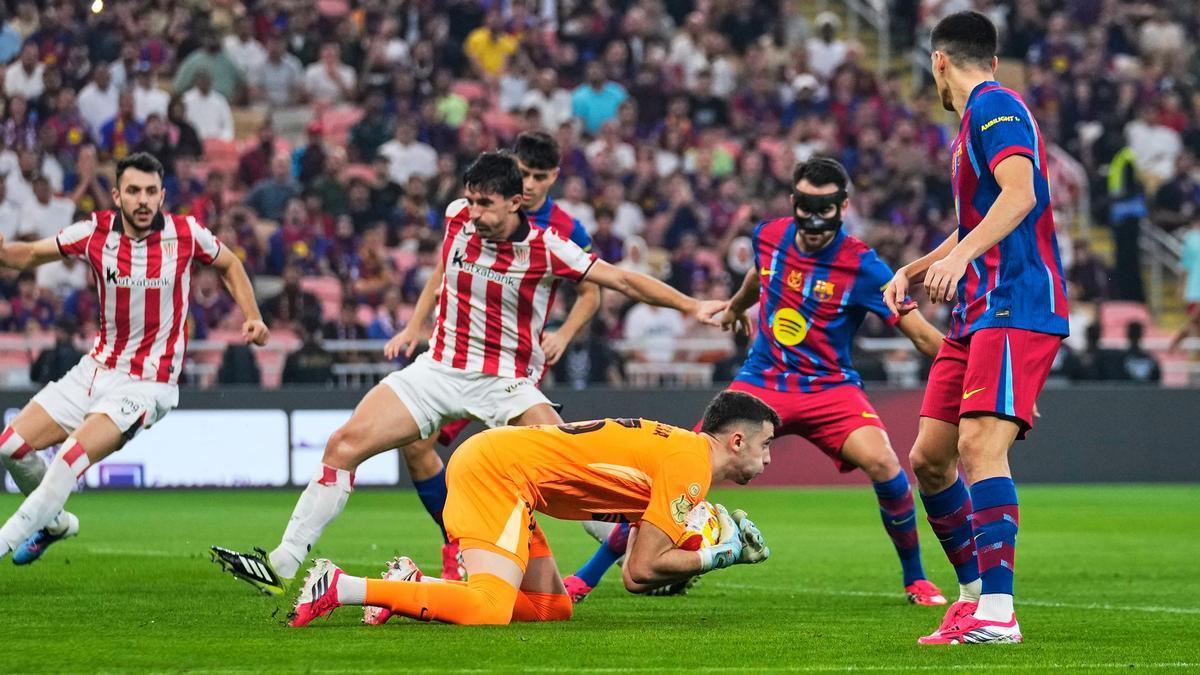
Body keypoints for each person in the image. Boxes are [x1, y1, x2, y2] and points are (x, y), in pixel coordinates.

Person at [212, 153, 728, 594]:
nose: (474, 211)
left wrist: (692, 305)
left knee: (571, 466)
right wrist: (416, 324)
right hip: (438, 367)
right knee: (343, 444)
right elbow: (441, 269)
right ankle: (281, 562)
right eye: (471, 200)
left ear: (515, 202)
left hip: (505, 381)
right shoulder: (456, 216)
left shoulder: (549, 249)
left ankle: (643, 539)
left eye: (486, 204)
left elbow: (619, 280)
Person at [564, 158, 948, 605]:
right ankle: (586, 578)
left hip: (830, 388)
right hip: (763, 379)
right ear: (793, 203)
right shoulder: (769, 236)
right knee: (680, 466)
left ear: (844, 207)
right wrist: (733, 307)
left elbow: (921, 335)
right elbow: (756, 277)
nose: (814, 220)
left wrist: (980, 373)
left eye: (825, 209)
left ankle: (916, 579)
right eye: (806, 206)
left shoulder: (865, 267)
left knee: (885, 464)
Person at [883, 12, 1068, 645]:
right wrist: (916, 267)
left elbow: (1020, 196)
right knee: (930, 460)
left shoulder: (995, 108)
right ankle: (970, 597)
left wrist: (960, 262)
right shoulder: (972, 124)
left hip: (1014, 303)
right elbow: (976, 221)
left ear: (939, 62)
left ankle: (999, 612)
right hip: (976, 313)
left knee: (980, 450)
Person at [287, 391, 777, 627]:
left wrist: (703, 534)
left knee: (551, 608)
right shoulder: (689, 467)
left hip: (511, 473)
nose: (770, 457)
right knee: (488, 609)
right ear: (737, 440)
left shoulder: (681, 456)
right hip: (498, 471)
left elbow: (631, 549)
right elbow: (641, 571)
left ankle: (416, 586)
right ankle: (341, 586)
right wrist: (719, 554)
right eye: (766, 445)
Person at [0, 152, 269, 564]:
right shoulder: (95, 232)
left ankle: (7, 539)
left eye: (150, 192)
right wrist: (4, 252)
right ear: (116, 195)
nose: (142, 200)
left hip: (147, 385)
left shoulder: (186, 234)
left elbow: (230, 263)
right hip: (94, 369)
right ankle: (52, 523)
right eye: (133, 191)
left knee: (71, 455)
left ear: (162, 195)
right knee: (11, 445)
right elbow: (32, 255)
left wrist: (252, 316)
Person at [396, 131, 601, 581]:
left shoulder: (567, 230)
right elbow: (444, 270)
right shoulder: (482, 214)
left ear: (555, 177)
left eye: (540, 177)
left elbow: (592, 291)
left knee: (551, 464)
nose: (530, 184)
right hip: (462, 358)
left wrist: (564, 334)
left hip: (515, 365)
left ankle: (613, 537)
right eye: (524, 173)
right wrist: (416, 325)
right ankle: (458, 543)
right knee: (416, 446)